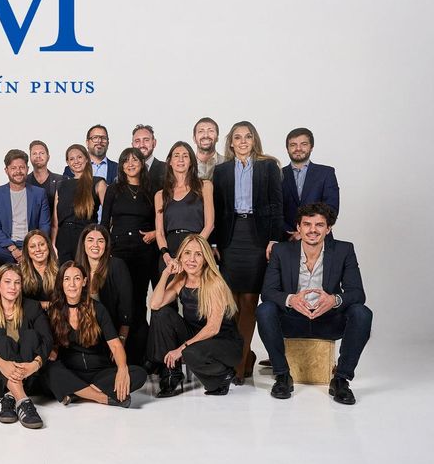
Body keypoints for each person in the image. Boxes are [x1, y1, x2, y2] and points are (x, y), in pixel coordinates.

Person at [257, 203, 371, 405]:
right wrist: (291, 299)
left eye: (319, 225)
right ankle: (282, 376)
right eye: (307, 224)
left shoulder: (344, 250)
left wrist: (334, 300)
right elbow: (268, 292)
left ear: (328, 229)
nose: (313, 230)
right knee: (264, 309)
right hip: (292, 320)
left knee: (362, 313)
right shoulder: (281, 251)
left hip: (328, 321)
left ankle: (341, 380)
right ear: (298, 227)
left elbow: (357, 293)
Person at [212, 121, 284, 385]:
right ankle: (244, 356)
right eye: (238, 137)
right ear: (230, 143)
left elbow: (277, 205)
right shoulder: (221, 171)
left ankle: (239, 366)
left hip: (257, 238)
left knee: (249, 302)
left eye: (248, 137)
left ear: (254, 141)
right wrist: (214, 243)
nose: (243, 141)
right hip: (230, 239)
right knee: (231, 304)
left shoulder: (268, 167)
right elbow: (217, 209)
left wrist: (274, 239)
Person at [147, 235, 242, 397]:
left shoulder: (214, 283)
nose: (191, 259)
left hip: (223, 343)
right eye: (187, 253)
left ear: (205, 259)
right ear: (180, 256)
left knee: (189, 353)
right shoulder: (180, 280)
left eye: (198, 254)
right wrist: (166, 272)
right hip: (197, 337)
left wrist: (180, 349)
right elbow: (155, 305)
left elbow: (213, 328)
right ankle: (171, 373)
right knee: (161, 314)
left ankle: (224, 374)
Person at [43, 262, 147, 407]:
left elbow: (115, 345)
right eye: (67, 279)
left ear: (84, 282)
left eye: (77, 278)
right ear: (61, 283)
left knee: (139, 373)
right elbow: (52, 347)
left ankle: (76, 393)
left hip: (99, 372)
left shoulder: (98, 309)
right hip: (71, 372)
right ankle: (102, 398)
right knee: (49, 370)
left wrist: (122, 369)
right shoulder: (54, 311)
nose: (72, 284)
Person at [0, 264, 52, 429]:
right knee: (4, 341)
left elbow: (47, 340)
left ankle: (10, 399)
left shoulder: (32, 307)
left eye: (17, 282)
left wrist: (35, 364)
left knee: (31, 335)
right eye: (8, 281)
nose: (13, 287)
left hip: (29, 376)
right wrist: (3, 364)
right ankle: (23, 402)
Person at [100, 146, 157, 365]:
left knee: (139, 302)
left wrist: (154, 233)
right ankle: (115, 354)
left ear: (142, 164)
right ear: (122, 166)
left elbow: (161, 221)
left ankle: (140, 356)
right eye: (126, 161)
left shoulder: (151, 190)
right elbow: (104, 223)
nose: (130, 164)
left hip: (144, 252)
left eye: (135, 160)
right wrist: (105, 252)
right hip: (118, 252)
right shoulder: (114, 190)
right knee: (120, 301)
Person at [154, 142, 214, 275]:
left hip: (197, 249)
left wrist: (193, 250)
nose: (180, 159)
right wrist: (167, 257)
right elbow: (160, 233)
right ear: (170, 162)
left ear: (191, 161)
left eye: (185, 156)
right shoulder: (160, 195)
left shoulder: (205, 186)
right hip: (170, 252)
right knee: (168, 288)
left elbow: (209, 225)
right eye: (176, 155)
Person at [0, 149, 51, 264]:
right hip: (5, 246)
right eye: (13, 168)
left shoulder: (39, 193)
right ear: (6, 170)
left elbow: (44, 225)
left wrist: (32, 246)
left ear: (27, 169)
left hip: (31, 244)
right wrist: (13, 249)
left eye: (22, 167)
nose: (18, 171)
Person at [74, 225, 132, 352]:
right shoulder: (75, 269)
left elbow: (126, 308)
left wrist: (121, 339)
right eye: (90, 240)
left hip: (110, 335)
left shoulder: (117, 266)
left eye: (100, 241)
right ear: (83, 244)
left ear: (106, 245)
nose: (95, 245)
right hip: (81, 335)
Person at [281, 128, 340, 239]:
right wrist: (291, 232)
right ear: (287, 149)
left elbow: (331, 208)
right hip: (287, 239)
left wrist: (306, 231)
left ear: (311, 147)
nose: (298, 148)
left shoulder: (326, 173)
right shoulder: (277, 175)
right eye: (293, 145)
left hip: (320, 238)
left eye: (303, 144)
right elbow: (274, 210)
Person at [53, 144, 107, 263]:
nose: (76, 161)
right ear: (68, 162)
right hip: (63, 240)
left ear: (87, 159)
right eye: (71, 159)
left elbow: (109, 215)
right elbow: (55, 223)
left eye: (79, 157)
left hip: (86, 236)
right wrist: (53, 244)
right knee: (64, 272)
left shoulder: (98, 183)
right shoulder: (61, 185)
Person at [20, 229, 59, 308]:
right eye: (32, 246)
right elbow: (18, 301)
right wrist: (44, 305)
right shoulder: (19, 272)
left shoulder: (60, 269)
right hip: (29, 313)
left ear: (48, 246)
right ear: (27, 250)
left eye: (41, 244)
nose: (38, 249)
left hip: (56, 312)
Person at [25, 140, 65, 214]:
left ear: (48, 157)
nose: (38, 156)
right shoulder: (24, 181)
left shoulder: (61, 180)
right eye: (34, 153)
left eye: (42, 153)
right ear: (30, 158)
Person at [131, 124, 165, 192]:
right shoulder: (126, 170)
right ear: (132, 145)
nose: (141, 145)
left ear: (154, 143)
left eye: (146, 140)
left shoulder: (167, 169)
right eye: (137, 141)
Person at [193, 117, 226, 181]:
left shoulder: (228, 163)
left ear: (217, 138)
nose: (206, 135)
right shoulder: (186, 164)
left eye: (211, 131)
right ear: (194, 139)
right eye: (201, 131)